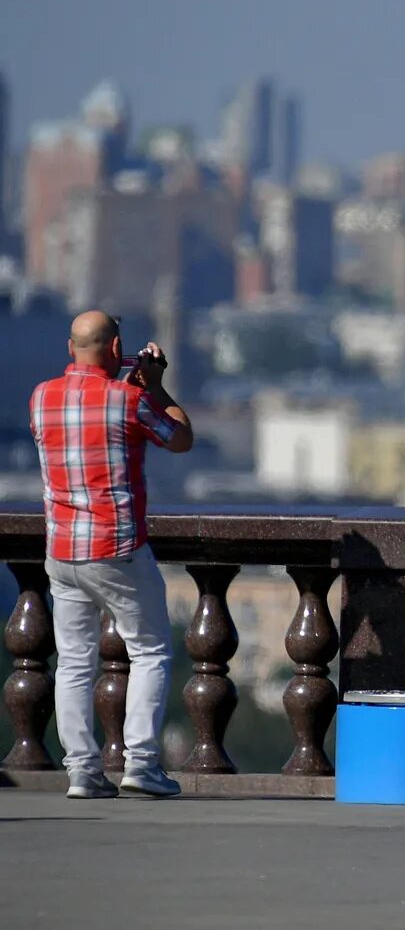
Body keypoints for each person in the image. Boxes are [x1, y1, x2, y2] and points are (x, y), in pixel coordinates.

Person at [29, 310, 194, 800]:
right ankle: (140, 763)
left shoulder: (41, 398)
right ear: (117, 349)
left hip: (61, 551)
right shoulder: (129, 400)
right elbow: (181, 439)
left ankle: (81, 771)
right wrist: (157, 386)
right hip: (118, 547)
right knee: (150, 650)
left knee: (74, 662)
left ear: (69, 347)